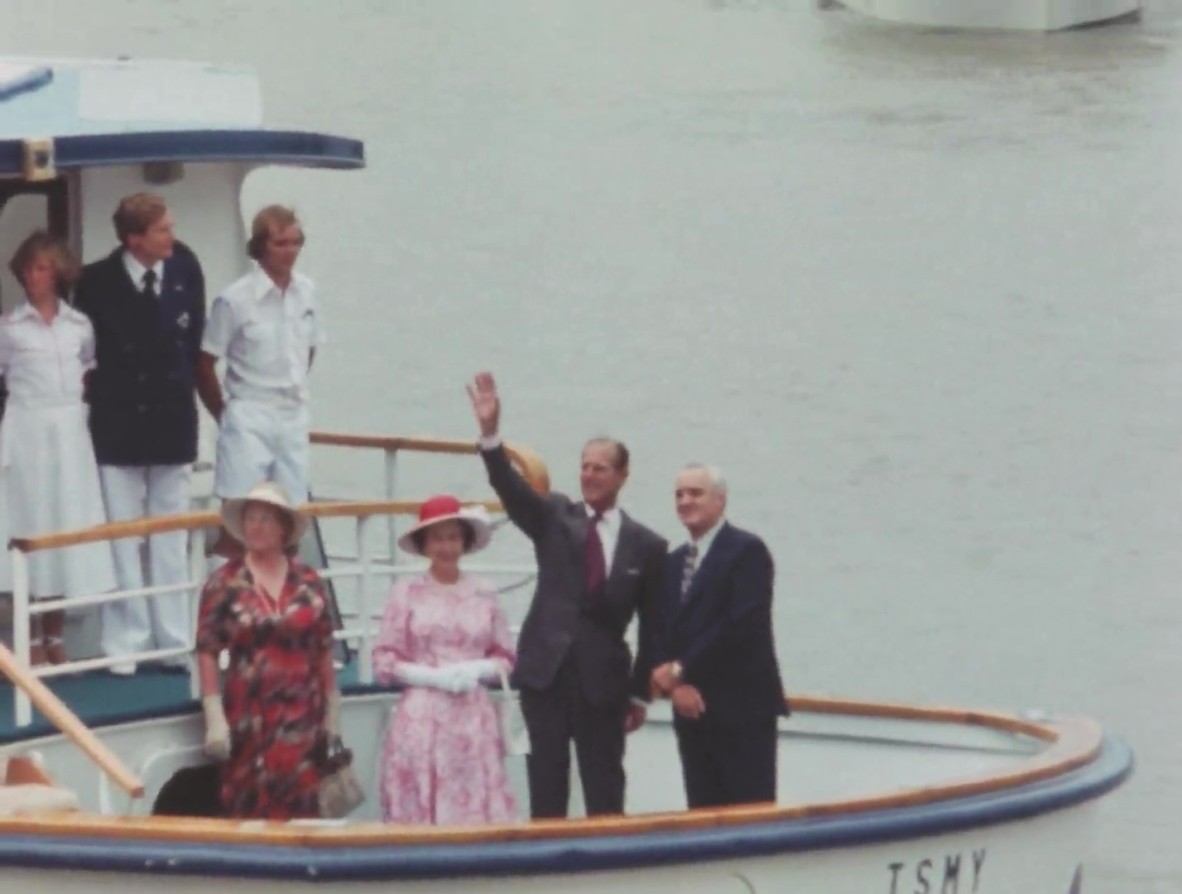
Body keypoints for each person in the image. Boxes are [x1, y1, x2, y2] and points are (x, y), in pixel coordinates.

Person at [466, 371, 666, 819]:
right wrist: (490, 435)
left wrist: (638, 695)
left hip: (604, 685)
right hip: (546, 675)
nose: (590, 475)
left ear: (622, 474)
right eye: (584, 466)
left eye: (600, 467)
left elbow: (654, 628)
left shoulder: (647, 546)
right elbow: (512, 491)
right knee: (547, 790)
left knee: (605, 791)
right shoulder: (555, 516)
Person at [74, 192, 206, 675]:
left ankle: (174, 640)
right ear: (135, 238)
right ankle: (126, 642)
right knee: (123, 536)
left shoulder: (185, 266)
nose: (172, 235)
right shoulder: (96, 282)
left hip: (171, 417)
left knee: (170, 536)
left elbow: (193, 340)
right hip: (120, 419)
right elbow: (90, 353)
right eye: (162, 229)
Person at [0, 232, 117, 665]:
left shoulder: (79, 326)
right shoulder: (9, 329)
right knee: (32, 521)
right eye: (29, 268)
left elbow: (87, 367)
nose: (34, 276)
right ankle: (29, 634)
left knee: (65, 521)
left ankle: (55, 632)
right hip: (28, 431)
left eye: (43, 267)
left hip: (68, 430)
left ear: (58, 273)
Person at [194, 480, 341, 820]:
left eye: (265, 520)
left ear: (283, 529)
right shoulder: (224, 582)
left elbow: (322, 648)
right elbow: (207, 650)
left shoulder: (308, 581)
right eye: (250, 519)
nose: (255, 527)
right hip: (250, 714)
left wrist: (333, 710)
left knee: (305, 800)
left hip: (304, 712)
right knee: (249, 801)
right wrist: (214, 715)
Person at [371, 494, 517, 825]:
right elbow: (383, 660)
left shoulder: (484, 592)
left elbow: (506, 656)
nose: (446, 546)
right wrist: (431, 677)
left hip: (472, 718)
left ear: (464, 542)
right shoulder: (405, 592)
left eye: (452, 537)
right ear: (424, 544)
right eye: (437, 538)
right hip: (422, 716)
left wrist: (478, 668)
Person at [649, 463, 787, 809]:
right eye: (679, 494)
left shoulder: (746, 551)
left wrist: (681, 670)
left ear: (720, 500)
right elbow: (663, 626)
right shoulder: (673, 563)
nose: (685, 501)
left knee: (749, 814)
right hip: (691, 712)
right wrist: (676, 686)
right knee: (701, 812)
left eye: (695, 493)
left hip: (742, 709)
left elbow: (740, 625)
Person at [196, 205, 325, 512]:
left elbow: (309, 348)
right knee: (241, 512)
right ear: (261, 246)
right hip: (249, 412)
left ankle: (287, 561)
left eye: (295, 242)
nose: (290, 251)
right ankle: (231, 561)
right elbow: (204, 362)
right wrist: (225, 415)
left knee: (293, 513)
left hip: (293, 412)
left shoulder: (307, 292)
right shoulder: (234, 299)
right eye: (280, 243)